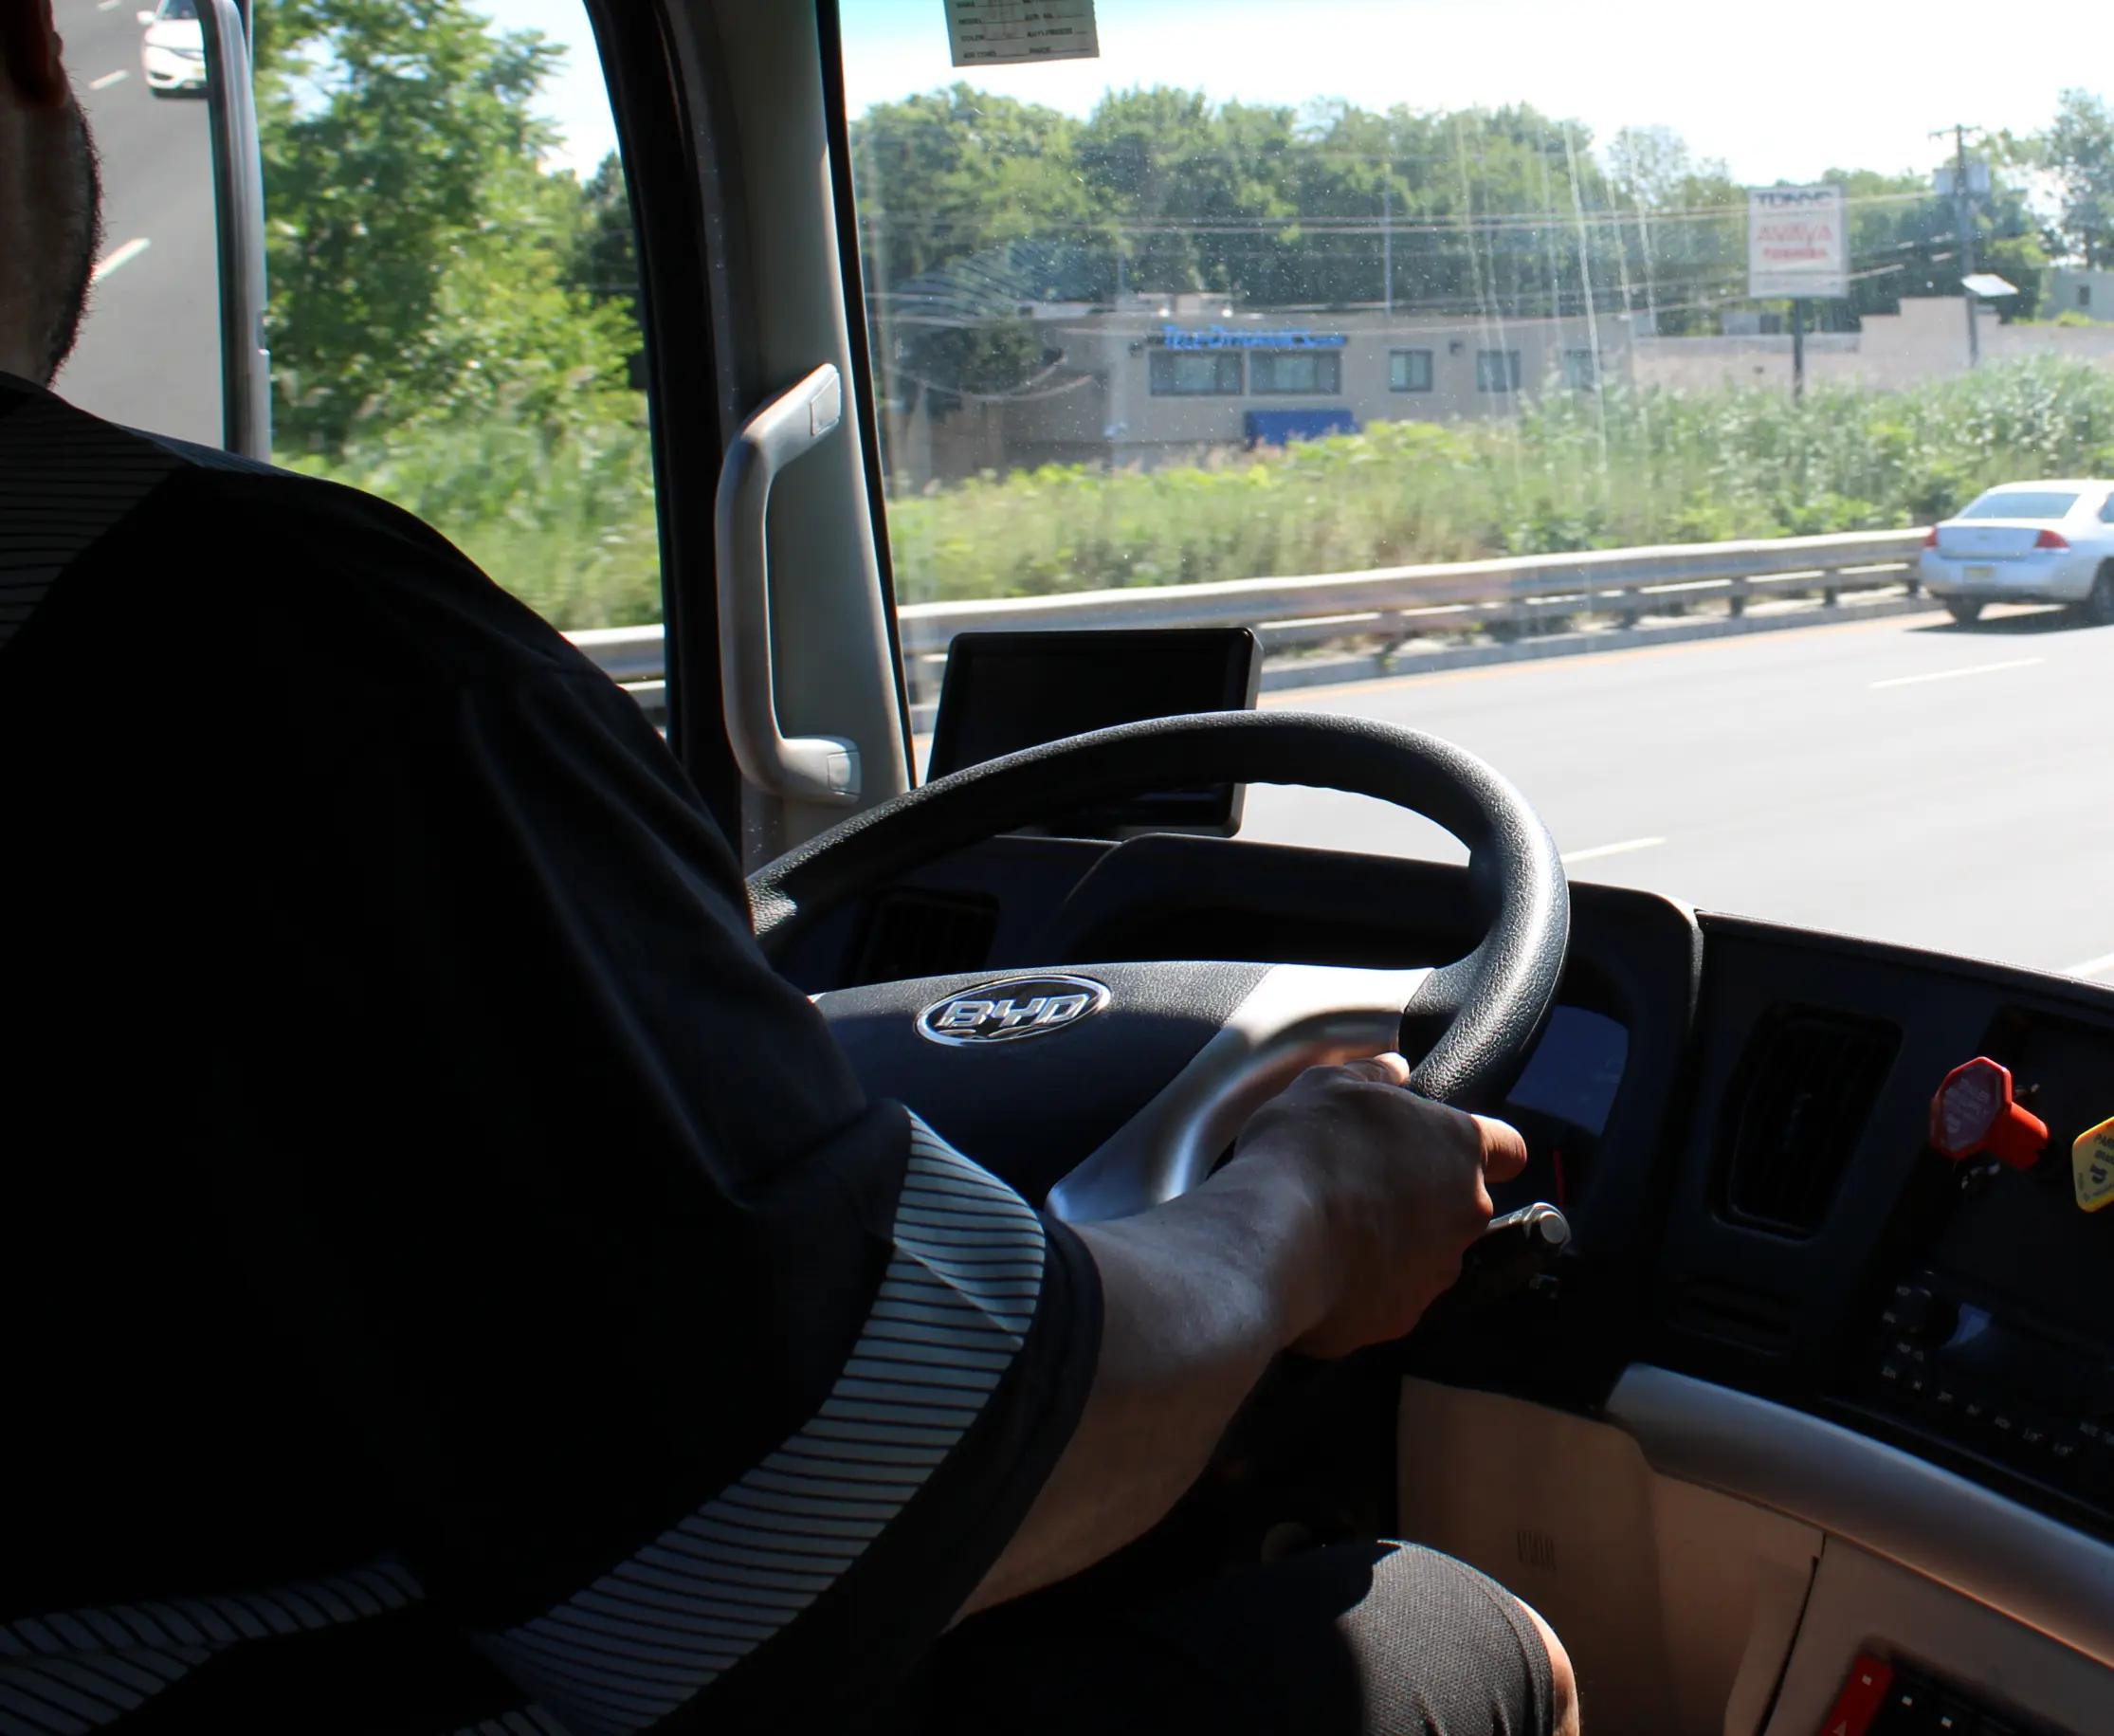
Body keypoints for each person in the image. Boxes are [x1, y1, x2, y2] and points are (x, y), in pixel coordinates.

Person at [0, 7, 1578, 1733]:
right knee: (1450, 1640)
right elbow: (822, 1526)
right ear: (25, 48)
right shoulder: (272, 659)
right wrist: (1310, 1208)